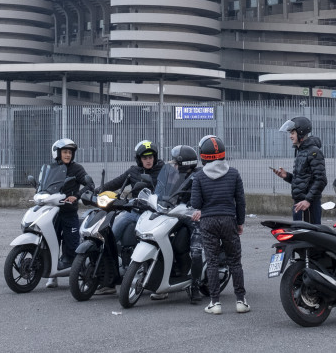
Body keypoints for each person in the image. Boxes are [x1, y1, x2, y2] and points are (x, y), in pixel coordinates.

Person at [190, 134, 249, 315]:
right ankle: (240, 301)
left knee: (213, 262)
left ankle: (215, 303)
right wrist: (240, 222)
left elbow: (196, 203)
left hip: (208, 222)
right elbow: (240, 201)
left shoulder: (199, 176)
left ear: (203, 156)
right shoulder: (233, 173)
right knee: (235, 262)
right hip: (229, 219)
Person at [152, 144, 203, 303]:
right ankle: (161, 282)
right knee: (159, 239)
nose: (172, 164)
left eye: (175, 161)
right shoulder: (173, 174)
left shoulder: (198, 176)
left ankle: (195, 288)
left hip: (194, 217)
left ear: (184, 163)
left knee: (195, 252)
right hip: (174, 213)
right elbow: (164, 191)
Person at [99, 140, 165, 263]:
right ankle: (106, 261)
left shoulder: (163, 170)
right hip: (134, 211)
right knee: (112, 232)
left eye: (150, 157)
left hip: (154, 213)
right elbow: (116, 182)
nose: (148, 160)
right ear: (139, 159)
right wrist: (98, 190)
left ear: (155, 157)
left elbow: (175, 184)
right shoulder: (133, 171)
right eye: (145, 158)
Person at [44, 138, 94, 287]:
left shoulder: (77, 169)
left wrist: (77, 196)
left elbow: (89, 184)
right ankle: (52, 274)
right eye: (65, 152)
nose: (67, 155)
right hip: (51, 211)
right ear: (58, 153)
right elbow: (43, 185)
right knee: (50, 242)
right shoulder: (51, 168)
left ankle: (77, 271)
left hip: (69, 212)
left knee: (71, 245)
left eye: (70, 152)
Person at [272, 115, 327, 224]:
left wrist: (308, 200)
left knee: (311, 237)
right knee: (299, 236)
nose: (290, 136)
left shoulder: (313, 152)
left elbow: (321, 180)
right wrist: (286, 176)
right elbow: (303, 180)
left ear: (301, 133)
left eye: (292, 133)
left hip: (309, 205)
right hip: (299, 204)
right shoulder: (300, 151)